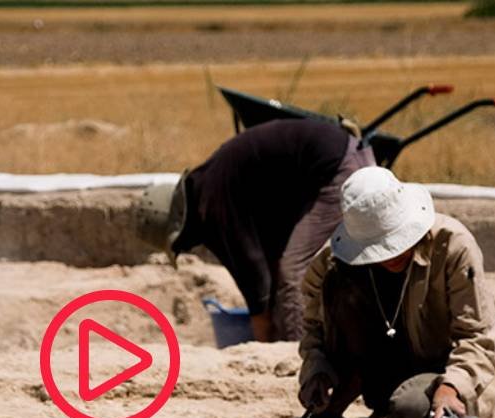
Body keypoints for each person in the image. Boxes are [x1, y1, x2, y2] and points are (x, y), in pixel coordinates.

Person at [296, 166, 495, 418]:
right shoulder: (330, 263)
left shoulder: (453, 247)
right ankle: (346, 395)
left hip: (444, 373)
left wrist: (452, 386)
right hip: (380, 374)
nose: (391, 254)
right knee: (336, 280)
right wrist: (316, 372)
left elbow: (478, 337)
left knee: (411, 412)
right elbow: (313, 329)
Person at [154, 118, 374, 342]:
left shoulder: (211, 202)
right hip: (346, 156)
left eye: (180, 244)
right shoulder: (210, 183)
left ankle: (297, 351)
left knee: (292, 270)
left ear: (181, 225)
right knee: (285, 269)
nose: (190, 246)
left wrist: (261, 337)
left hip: (338, 168)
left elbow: (252, 270)